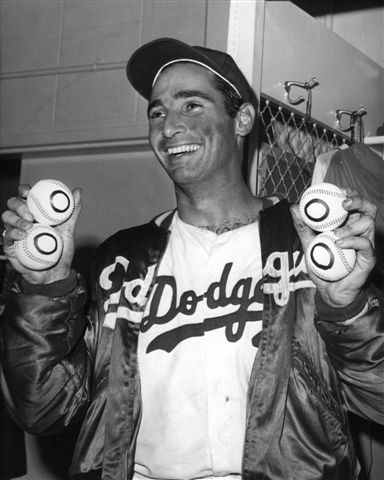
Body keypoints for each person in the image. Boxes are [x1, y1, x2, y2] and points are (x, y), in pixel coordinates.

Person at [0, 37, 383, 480]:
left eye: (192, 106)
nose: (169, 127)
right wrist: (43, 287)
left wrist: (348, 308)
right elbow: (44, 409)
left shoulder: (310, 244)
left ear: (241, 119)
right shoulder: (120, 260)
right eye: (157, 112)